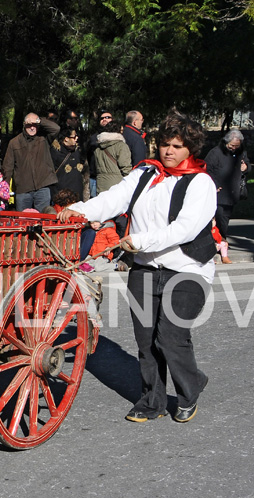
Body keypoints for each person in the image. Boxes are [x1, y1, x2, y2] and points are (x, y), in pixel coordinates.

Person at [58, 110, 216, 424]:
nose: (168, 151)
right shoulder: (146, 173)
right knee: (146, 341)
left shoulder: (201, 183)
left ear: (190, 149)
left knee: (170, 336)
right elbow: (113, 198)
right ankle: (152, 400)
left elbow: (183, 230)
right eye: (165, 144)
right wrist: (77, 210)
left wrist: (139, 241)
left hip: (188, 269)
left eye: (177, 146)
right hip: (145, 269)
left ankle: (189, 389)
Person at [205, 129, 251, 261]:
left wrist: (246, 167)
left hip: (232, 191)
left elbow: (248, 164)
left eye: (237, 146)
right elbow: (207, 169)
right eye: (232, 146)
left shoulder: (241, 152)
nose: (234, 148)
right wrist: (214, 184)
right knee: (218, 217)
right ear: (226, 142)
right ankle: (218, 242)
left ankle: (221, 242)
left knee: (225, 218)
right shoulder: (215, 153)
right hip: (218, 191)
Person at [1, 112, 60, 211]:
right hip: (23, 189)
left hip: (43, 186)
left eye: (35, 125)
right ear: (24, 125)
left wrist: (40, 121)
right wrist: (4, 190)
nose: (32, 128)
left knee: (43, 219)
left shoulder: (44, 138)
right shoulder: (14, 142)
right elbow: (8, 167)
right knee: (23, 221)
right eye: (29, 125)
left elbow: (56, 128)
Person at [50, 127, 90, 201]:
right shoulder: (55, 152)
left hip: (77, 194)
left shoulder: (78, 150)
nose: (77, 138)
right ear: (66, 139)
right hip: (62, 194)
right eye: (74, 137)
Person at [93, 120, 133, 193]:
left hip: (100, 184)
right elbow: (126, 168)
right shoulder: (121, 146)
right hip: (117, 184)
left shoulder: (97, 148)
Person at [86, 109, 114, 197]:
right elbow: (88, 155)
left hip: (112, 177)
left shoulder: (118, 138)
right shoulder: (94, 138)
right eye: (102, 118)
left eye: (107, 117)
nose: (104, 119)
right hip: (95, 178)